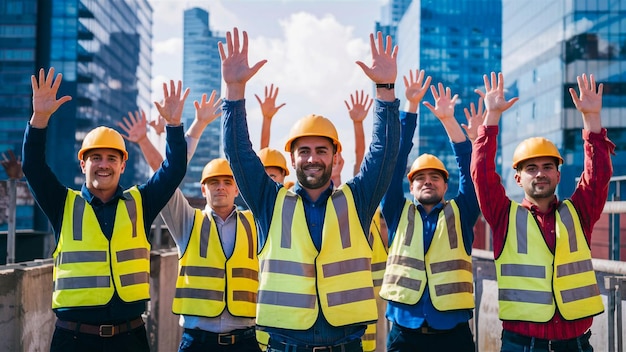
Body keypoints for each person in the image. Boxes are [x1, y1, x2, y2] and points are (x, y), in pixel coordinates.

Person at [220, 27, 401, 351]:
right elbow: (238, 152)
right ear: (292, 159)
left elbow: (383, 153)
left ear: (334, 157)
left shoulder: (356, 201)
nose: (312, 159)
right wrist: (234, 92)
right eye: (304, 151)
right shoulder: (269, 202)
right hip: (285, 344)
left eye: (321, 151)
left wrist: (385, 92)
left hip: (346, 344)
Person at [22, 68, 188, 352]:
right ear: (83, 165)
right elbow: (33, 167)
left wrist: (173, 126)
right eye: (95, 157)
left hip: (130, 338)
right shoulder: (63, 204)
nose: (103, 164)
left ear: (122, 166)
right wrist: (39, 119)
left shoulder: (141, 202)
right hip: (74, 340)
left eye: (112, 158)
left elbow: (173, 171)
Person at [471, 72, 614, 352]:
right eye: (531, 169)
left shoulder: (579, 212)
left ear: (559, 176)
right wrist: (491, 119)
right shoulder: (503, 216)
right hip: (522, 344)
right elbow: (481, 175)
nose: (540, 174)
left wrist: (592, 120)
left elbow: (598, 175)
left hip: (575, 343)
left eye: (548, 167)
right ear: (518, 179)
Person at [119, 91, 262, 352]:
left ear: (237, 189)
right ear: (203, 190)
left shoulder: (254, 223)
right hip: (199, 341)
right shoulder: (187, 222)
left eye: (227, 182)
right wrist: (194, 127)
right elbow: (166, 175)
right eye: (213, 183)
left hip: (245, 341)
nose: (220, 187)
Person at [379, 70, 480, 352]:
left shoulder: (463, 211)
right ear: (410, 187)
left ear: (446, 185)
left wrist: (448, 121)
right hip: (404, 333)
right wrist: (410, 108)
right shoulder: (397, 211)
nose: (427, 181)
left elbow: (470, 169)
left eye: (435, 177)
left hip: (453, 334)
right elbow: (395, 160)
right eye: (420, 178)